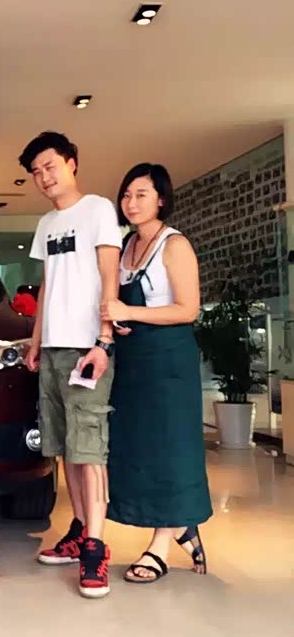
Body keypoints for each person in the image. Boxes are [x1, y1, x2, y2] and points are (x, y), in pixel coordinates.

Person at [19, 131, 122, 599]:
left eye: (50, 166)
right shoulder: (46, 223)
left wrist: (104, 340)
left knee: (89, 450)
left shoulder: (98, 209)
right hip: (54, 349)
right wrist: (36, 340)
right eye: (36, 172)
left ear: (71, 163)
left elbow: (109, 276)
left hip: (87, 347)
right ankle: (80, 529)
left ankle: (96, 547)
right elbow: (47, 286)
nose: (44, 177)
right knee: (63, 446)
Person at [101, 163, 212, 584]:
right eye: (127, 195)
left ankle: (159, 546)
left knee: (170, 448)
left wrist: (129, 311)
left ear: (161, 200)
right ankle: (180, 524)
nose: (131, 202)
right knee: (138, 448)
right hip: (133, 362)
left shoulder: (174, 244)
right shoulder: (126, 245)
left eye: (141, 194)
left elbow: (188, 309)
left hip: (169, 362)